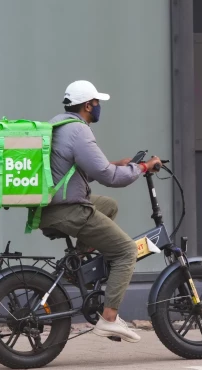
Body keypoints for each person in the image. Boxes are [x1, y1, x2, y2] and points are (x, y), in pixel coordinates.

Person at [39, 80, 162, 343]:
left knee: (108, 205)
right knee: (126, 251)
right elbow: (109, 177)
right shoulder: (78, 131)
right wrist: (142, 168)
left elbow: (74, 172)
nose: (98, 108)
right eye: (96, 103)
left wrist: (118, 164)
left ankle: (76, 264)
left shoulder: (58, 123)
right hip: (69, 210)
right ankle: (108, 319)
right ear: (87, 105)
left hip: (51, 208)